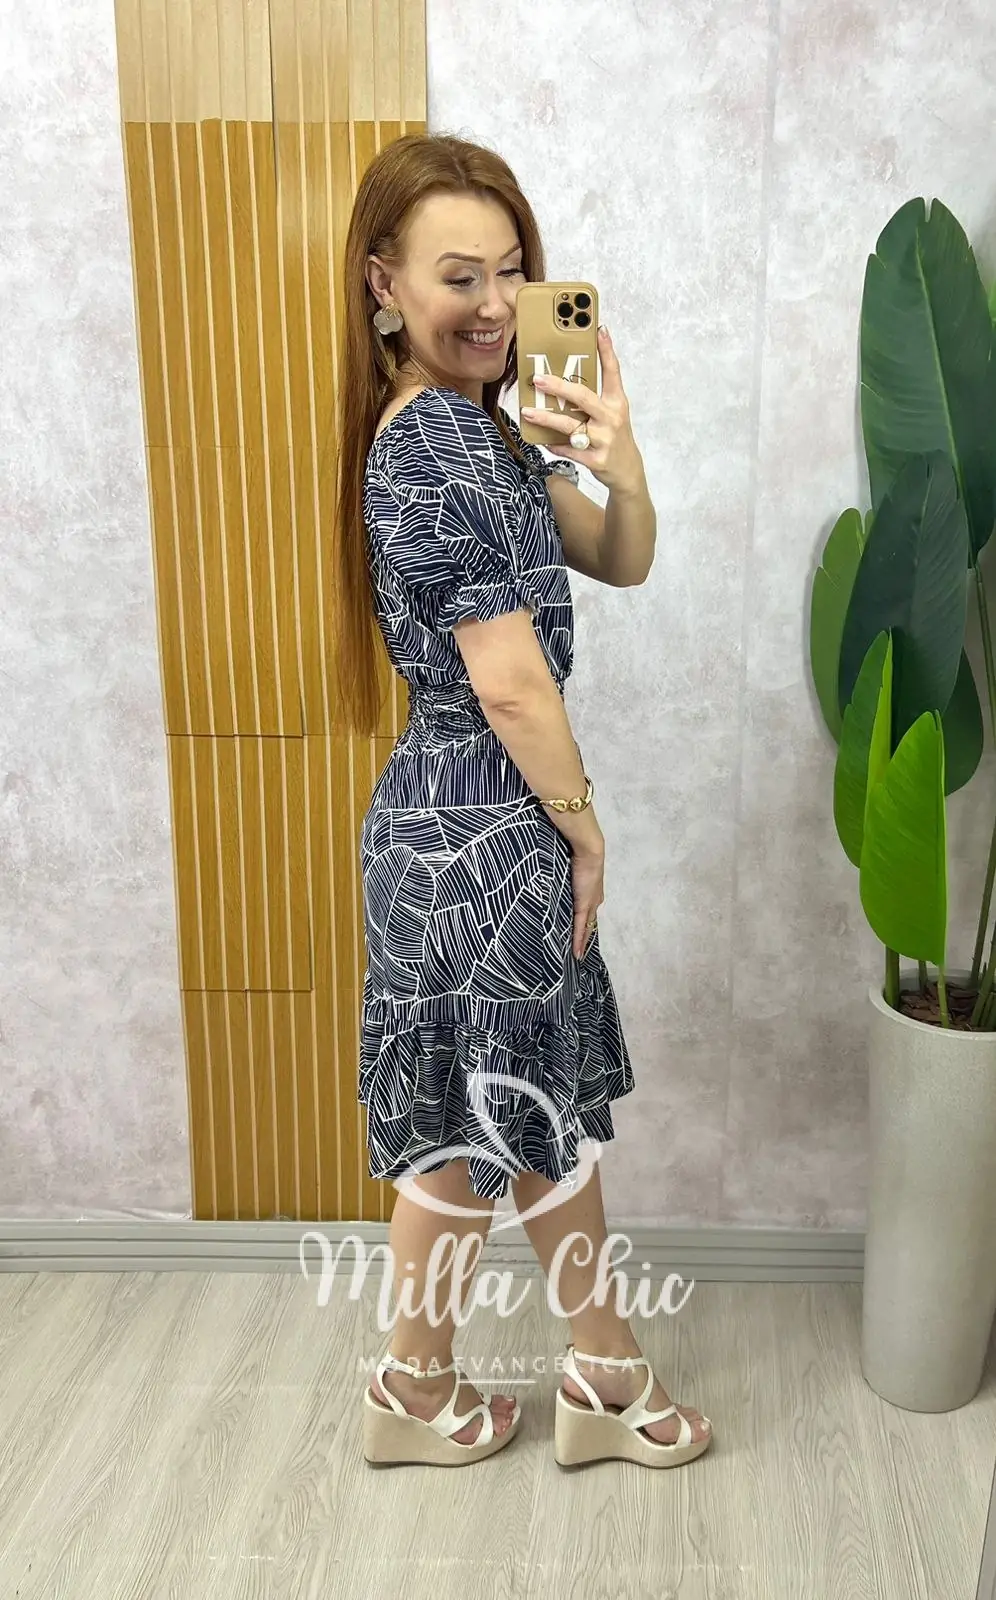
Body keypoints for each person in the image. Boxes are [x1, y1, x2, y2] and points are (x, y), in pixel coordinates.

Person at [331, 132, 712, 1470]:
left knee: (497, 1110)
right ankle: (511, 1377)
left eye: (512, 271)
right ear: (384, 283)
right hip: (482, 824)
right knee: (495, 1116)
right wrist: (585, 826)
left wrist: (620, 449)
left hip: (466, 824)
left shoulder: (483, 432)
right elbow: (506, 681)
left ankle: (483, 1379)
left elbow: (621, 552)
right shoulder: (436, 441)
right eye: (459, 276)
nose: (496, 304)